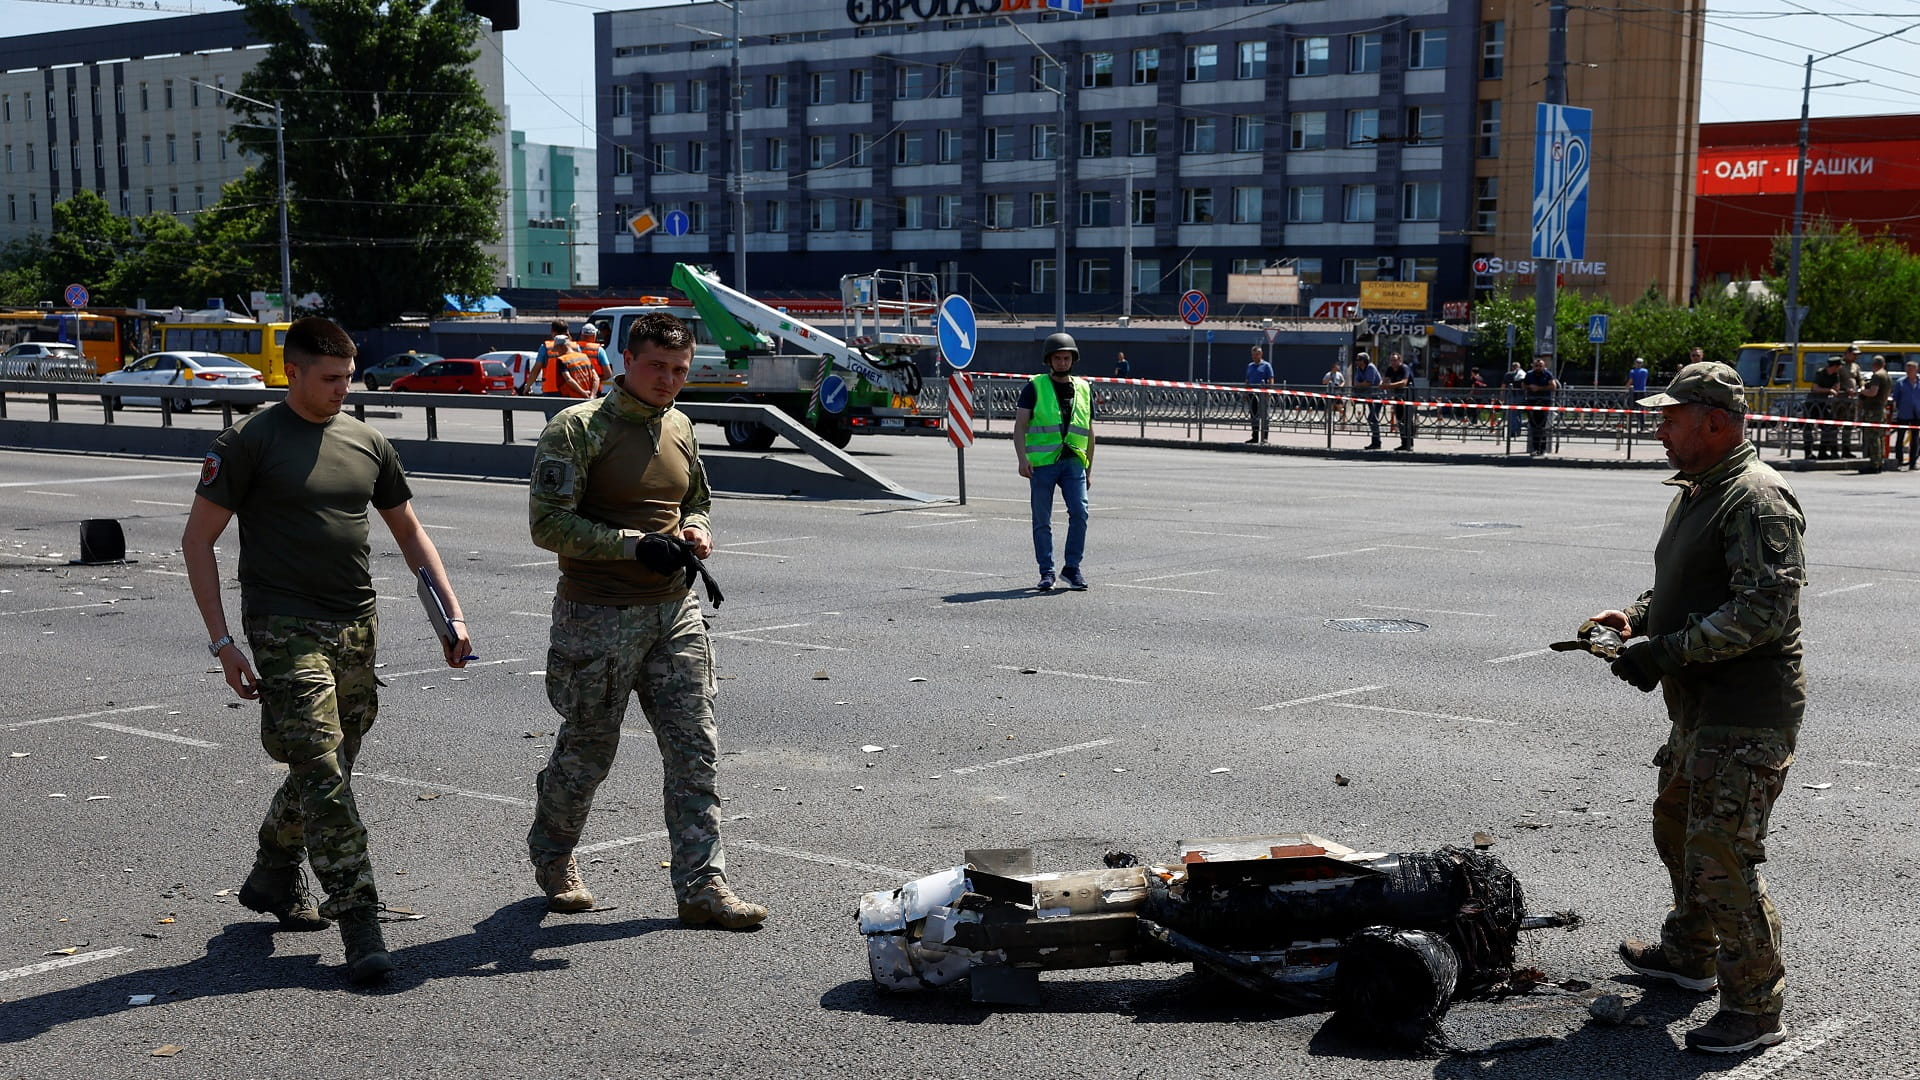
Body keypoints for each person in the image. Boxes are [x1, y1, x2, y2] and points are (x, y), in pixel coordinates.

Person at [181, 317, 473, 985]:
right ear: (294, 373)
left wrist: (449, 616)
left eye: (349, 376)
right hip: (284, 628)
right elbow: (197, 541)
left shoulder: (367, 441)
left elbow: (410, 532)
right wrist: (223, 641)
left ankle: (273, 871)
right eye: (331, 378)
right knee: (320, 766)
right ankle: (359, 915)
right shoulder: (250, 441)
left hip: (357, 628)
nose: (345, 388)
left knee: (329, 765)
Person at [1588, 361, 1804, 1055]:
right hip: (1700, 710)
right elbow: (1691, 588)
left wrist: (1663, 652)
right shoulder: (1701, 489)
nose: (1659, 430)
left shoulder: (1756, 498)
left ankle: (1754, 1006)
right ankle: (1690, 954)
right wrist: (1637, 617)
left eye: (1671, 419)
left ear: (1716, 422)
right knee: (1678, 824)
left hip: (1746, 712)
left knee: (1721, 854)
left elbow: (1763, 611)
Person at [525, 311, 766, 929]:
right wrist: (634, 543)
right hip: (597, 617)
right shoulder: (577, 429)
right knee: (588, 752)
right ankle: (552, 853)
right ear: (626, 361)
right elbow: (548, 524)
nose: (667, 380)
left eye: (680, 370)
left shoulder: (680, 424)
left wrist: (696, 531)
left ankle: (702, 886)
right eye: (656, 366)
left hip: (673, 611)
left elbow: (698, 499)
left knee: (696, 749)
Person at [1013, 332, 1094, 591]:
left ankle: (1072, 568)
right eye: (1058, 358)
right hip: (1042, 463)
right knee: (1042, 520)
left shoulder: (1084, 388)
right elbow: (1020, 426)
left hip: (1073, 462)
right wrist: (1021, 459)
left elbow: (1090, 431)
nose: (1062, 362)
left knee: (1080, 513)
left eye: (1066, 358)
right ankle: (1046, 572)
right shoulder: (1034, 387)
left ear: (1073, 359)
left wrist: (1089, 468)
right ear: (1049, 360)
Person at [1803, 356, 1843, 459]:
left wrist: (1832, 389)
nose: (1841, 367)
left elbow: (1837, 388)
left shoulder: (1835, 375)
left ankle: (1823, 452)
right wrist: (1829, 390)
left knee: (1828, 427)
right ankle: (1808, 453)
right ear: (1834, 366)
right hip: (1812, 403)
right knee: (1808, 428)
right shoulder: (1821, 373)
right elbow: (1815, 388)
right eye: (1839, 365)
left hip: (1824, 404)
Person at [1858, 354, 1893, 474]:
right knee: (1880, 437)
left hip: (1873, 410)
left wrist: (1862, 391)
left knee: (1873, 437)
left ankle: (1874, 463)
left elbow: (1873, 392)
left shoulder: (1877, 375)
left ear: (1874, 365)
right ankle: (1879, 461)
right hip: (1881, 409)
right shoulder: (1887, 375)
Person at [542, 333, 601, 398]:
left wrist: (583, 393)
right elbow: (596, 378)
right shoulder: (584, 357)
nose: (557, 353)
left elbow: (569, 379)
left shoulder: (562, 360)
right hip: (589, 397)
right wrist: (592, 395)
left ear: (562, 347)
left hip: (572, 398)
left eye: (557, 350)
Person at [1524, 356, 1559, 456]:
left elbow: (1553, 386)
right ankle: (1535, 449)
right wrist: (1530, 387)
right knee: (1534, 426)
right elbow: (1523, 385)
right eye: (1536, 366)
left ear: (1544, 366)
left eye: (1540, 366)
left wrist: (1539, 388)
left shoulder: (1547, 374)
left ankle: (1542, 449)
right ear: (1533, 366)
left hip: (1544, 402)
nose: (1538, 367)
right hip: (1532, 401)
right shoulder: (1529, 374)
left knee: (1542, 426)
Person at [1382, 351, 1414, 452]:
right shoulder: (1390, 369)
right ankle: (1403, 443)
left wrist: (1388, 386)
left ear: (1400, 360)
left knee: (1407, 420)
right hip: (1398, 397)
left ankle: (1410, 443)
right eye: (1391, 360)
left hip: (1409, 397)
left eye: (1395, 360)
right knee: (1400, 420)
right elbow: (1385, 381)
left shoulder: (1404, 368)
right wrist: (1382, 384)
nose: (1393, 362)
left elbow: (1404, 383)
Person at [1893, 360, 1920, 470]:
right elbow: (1896, 398)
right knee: (1900, 438)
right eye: (1907, 369)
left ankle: (1912, 462)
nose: (1909, 371)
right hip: (1903, 413)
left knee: (1915, 439)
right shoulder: (1900, 383)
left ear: (1916, 370)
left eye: (1911, 369)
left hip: (1917, 414)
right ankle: (1898, 461)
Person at [1245, 345, 1275, 443]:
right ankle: (1255, 437)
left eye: (1257, 354)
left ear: (1261, 354)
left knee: (1264, 416)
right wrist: (1246, 392)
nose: (1255, 356)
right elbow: (1247, 380)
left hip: (1263, 394)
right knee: (1254, 416)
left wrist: (1268, 391)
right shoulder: (1250, 366)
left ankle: (1265, 437)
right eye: (1253, 355)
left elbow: (1271, 379)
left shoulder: (1266, 365)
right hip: (1252, 394)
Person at [1354, 351, 1382, 448]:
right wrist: (1361, 384)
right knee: (1372, 418)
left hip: (1378, 396)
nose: (1357, 361)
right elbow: (1356, 382)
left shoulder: (1370, 367)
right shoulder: (1359, 369)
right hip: (1369, 396)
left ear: (1364, 361)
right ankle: (1375, 441)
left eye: (1359, 359)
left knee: (1373, 418)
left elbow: (1369, 382)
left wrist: (1361, 384)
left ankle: (1376, 442)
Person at [1503, 359, 1527, 437]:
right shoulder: (1522, 374)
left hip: (1511, 395)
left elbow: (1503, 386)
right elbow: (1524, 385)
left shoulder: (1508, 375)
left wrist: (1501, 396)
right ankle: (1518, 431)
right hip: (1520, 395)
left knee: (1511, 414)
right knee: (1519, 414)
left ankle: (1512, 431)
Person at [1628, 357, 1651, 431]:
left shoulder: (1632, 371)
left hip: (1634, 393)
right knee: (1641, 410)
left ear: (1635, 363)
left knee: (1631, 409)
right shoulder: (1645, 371)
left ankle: (1629, 427)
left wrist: (1625, 388)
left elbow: (1631, 381)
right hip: (1642, 392)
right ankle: (1642, 426)